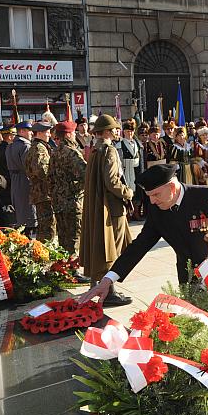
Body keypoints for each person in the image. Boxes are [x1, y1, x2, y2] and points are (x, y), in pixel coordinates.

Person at [79, 164, 208, 304]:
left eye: (156, 194)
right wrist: (108, 280)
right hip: (189, 281)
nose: (152, 201)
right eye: (148, 196)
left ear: (172, 186)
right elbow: (139, 245)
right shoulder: (158, 210)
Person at [79, 115, 134, 306]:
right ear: (108, 131)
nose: (118, 131)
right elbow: (112, 182)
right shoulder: (109, 151)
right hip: (111, 207)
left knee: (101, 246)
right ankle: (109, 292)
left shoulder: (95, 150)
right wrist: (128, 193)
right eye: (115, 129)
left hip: (100, 205)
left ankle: (97, 285)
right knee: (112, 248)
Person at [49, 120, 87, 260]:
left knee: (63, 236)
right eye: (73, 132)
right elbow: (86, 175)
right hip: (73, 201)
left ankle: (63, 265)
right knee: (74, 237)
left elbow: (50, 178)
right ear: (69, 134)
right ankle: (73, 269)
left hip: (59, 201)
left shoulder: (54, 152)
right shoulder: (72, 153)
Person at [24, 121, 56, 242]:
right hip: (44, 193)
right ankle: (45, 253)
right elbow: (43, 172)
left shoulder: (38, 146)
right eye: (47, 132)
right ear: (40, 133)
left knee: (46, 226)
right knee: (48, 227)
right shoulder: (39, 148)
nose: (49, 135)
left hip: (42, 193)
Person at [5, 120, 36, 233]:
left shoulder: (10, 146)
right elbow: (29, 166)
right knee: (28, 213)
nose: (31, 133)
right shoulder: (25, 146)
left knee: (20, 212)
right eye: (29, 131)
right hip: (25, 180)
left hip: (14, 180)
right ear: (22, 131)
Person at [0, 124, 16, 226]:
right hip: (6, 184)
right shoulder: (7, 150)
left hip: (2, 183)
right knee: (8, 213)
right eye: (14, 134)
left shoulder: (1, 148)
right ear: (10, 136)